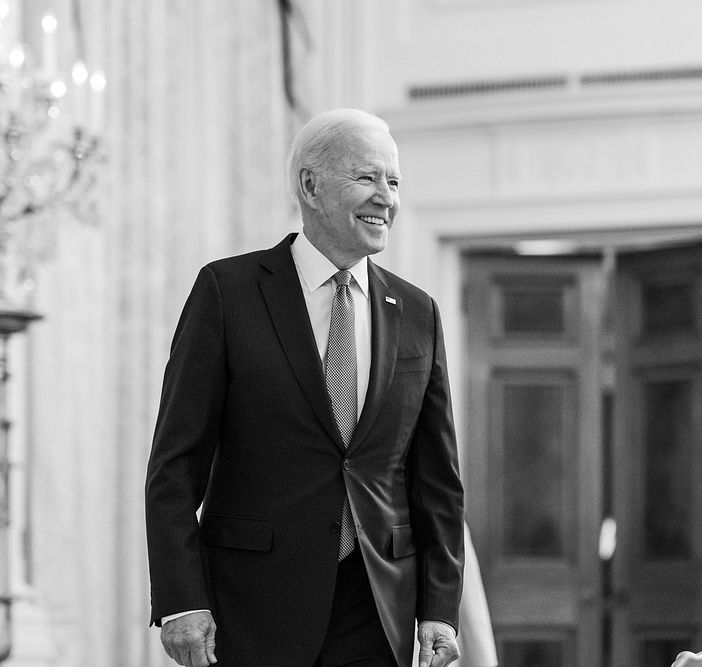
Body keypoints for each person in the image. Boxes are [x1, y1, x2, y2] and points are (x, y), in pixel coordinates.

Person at [145, 108, 465, 667]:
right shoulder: (228, 292)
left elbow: (436, 479)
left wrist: (439, 607)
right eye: (367, 178)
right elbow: (175, 465)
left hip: (378, 606)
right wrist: (181, 600)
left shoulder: (419, 313)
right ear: (311, 186)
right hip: (252, 607)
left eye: (394, 182)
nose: (386, 198)